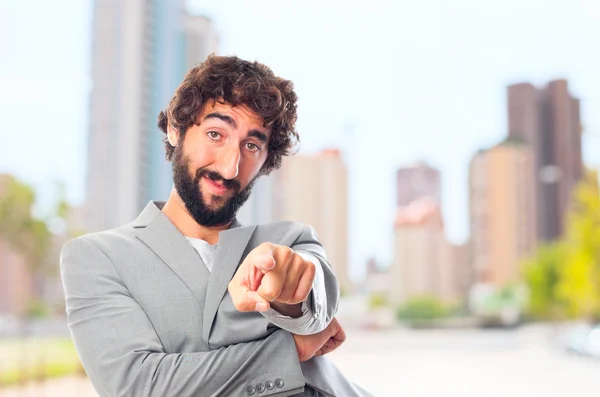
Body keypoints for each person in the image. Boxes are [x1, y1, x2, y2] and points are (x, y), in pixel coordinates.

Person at [60, 55, 373, 397]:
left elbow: (319, 302)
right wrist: (291, 351)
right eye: (215, 134)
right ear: (176, 130)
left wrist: (287, 292)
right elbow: (138, 387)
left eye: (252, 145)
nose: (230, 166)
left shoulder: (290, 239)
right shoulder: (97, 257)